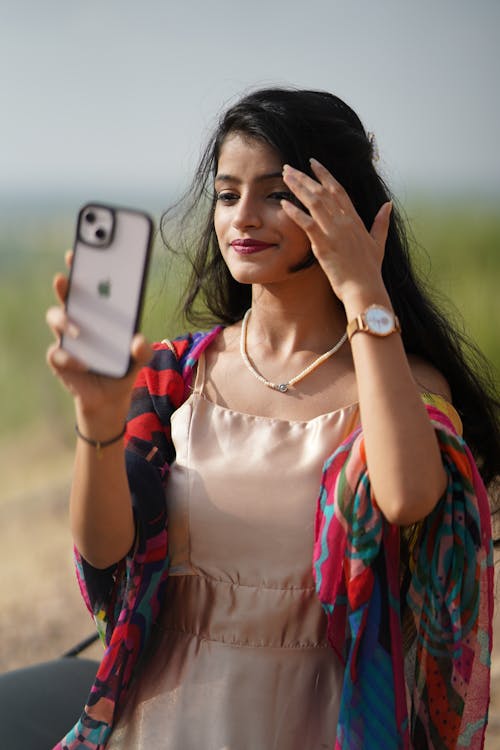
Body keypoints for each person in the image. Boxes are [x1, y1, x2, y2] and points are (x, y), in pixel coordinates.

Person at [46, 87, 499, 750]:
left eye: (274, 193)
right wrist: (98, 420)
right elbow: (104, 549)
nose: (243, 218)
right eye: (227, 195)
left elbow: (406, 498)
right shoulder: (178, 374)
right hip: (162, 721)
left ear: (340, 204)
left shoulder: (400, 383)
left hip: (320, 722)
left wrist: (363, 292)